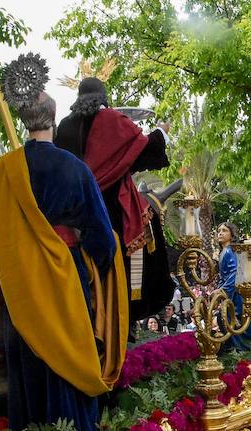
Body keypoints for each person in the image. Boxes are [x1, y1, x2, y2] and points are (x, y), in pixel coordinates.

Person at [0, 54, 124, 431]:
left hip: (19, 295)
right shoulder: (75, 169)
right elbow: (102, 241)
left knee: (27, 375)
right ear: (53, 119)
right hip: (65, 282)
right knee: (68, 366)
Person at [54, 77, 173, 323]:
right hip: (112, 209)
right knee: (149, 227)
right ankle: (133, 310)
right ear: (103, 97)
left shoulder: (64, 126)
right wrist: (161, 132)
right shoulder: (113, 120)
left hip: (76, 212)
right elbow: (143, 151)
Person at [216, 223, 251, 349]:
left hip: (235, 293)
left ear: (231, 235)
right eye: (219, 231)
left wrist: (223, 290)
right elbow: (224, 276)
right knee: (228, 320)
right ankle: (237, 346)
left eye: (224, 230)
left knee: (241, 319)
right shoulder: (223, 252)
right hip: (229, 293)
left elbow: (234, 272)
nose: (220, 233)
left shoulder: (230, 251)